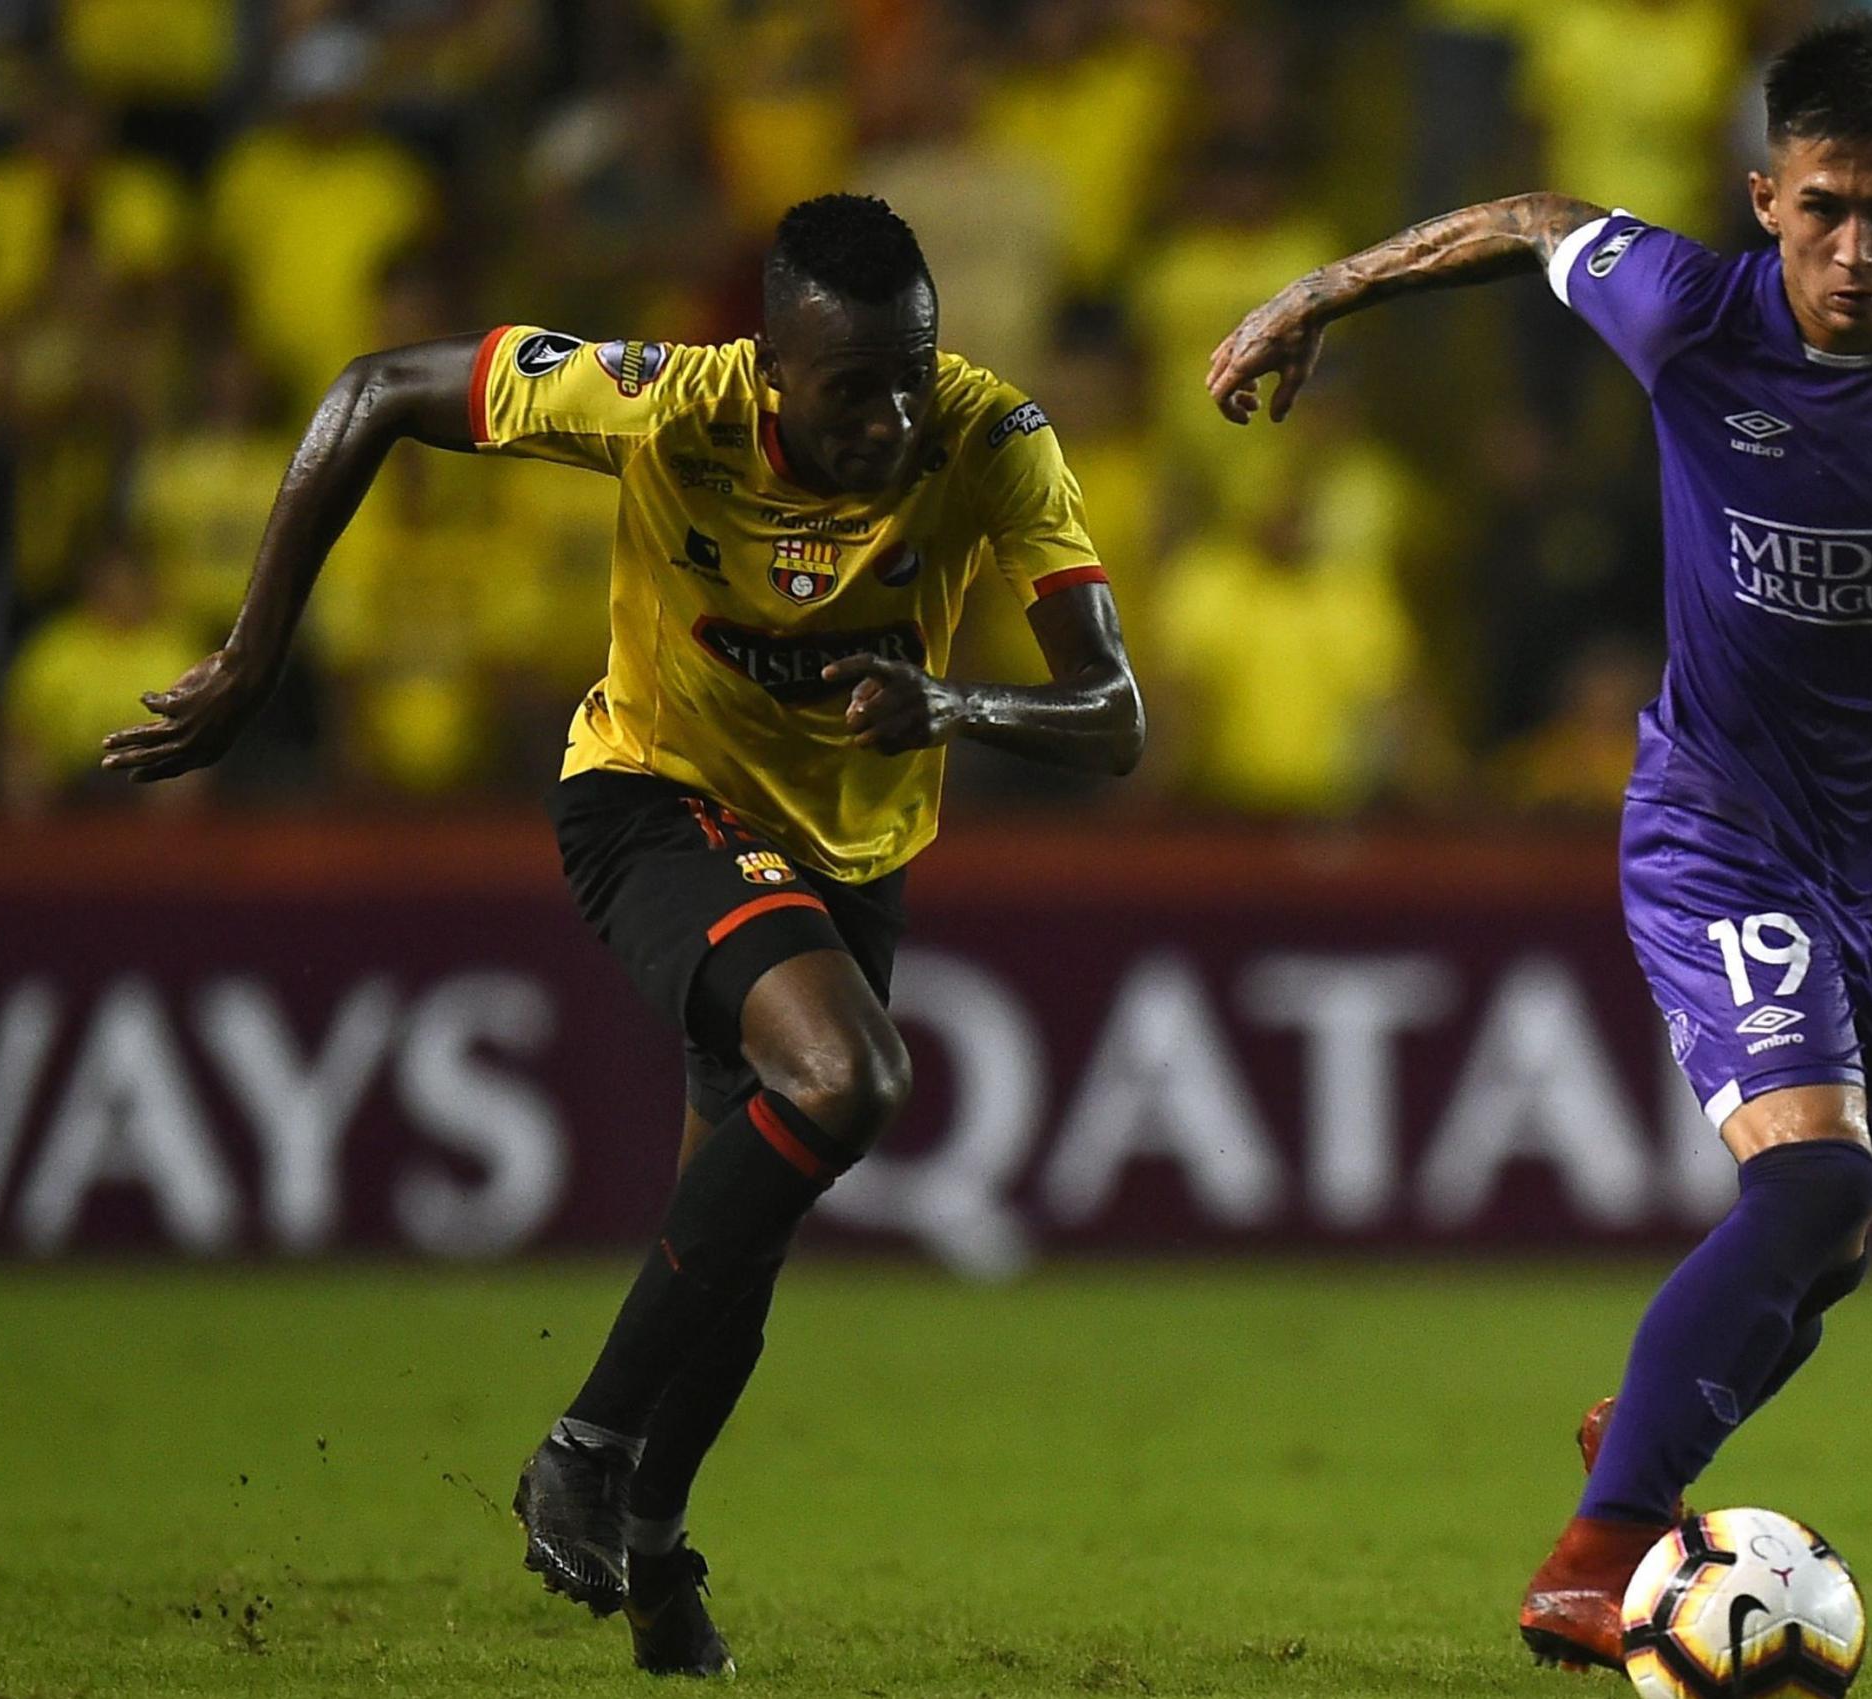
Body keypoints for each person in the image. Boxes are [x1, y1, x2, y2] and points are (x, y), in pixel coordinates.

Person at [1206, 15, 1872, 1674]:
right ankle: (1602, 1549)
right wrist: (1312, 297)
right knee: (1808, 1180)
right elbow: (1525, 219)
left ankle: (1640, 1427)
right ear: (1764, 198)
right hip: (1722, 823)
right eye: (1823, 209)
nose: (1857, 248)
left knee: (1833, 1248)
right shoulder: (1688, 312)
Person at [104, 194, 1145, 1677]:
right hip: (657, 804)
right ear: (774, 368)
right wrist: (254, 656)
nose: (894, 414)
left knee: (732, 1257)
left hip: (851, 852)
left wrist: (960, 707)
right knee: (852, 1081)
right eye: (857, 388)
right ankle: (581, 1449)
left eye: (913, 370)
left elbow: (1114, 718)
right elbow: (377, 389)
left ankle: (654, 1561)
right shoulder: (668, 405)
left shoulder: (988, 439)